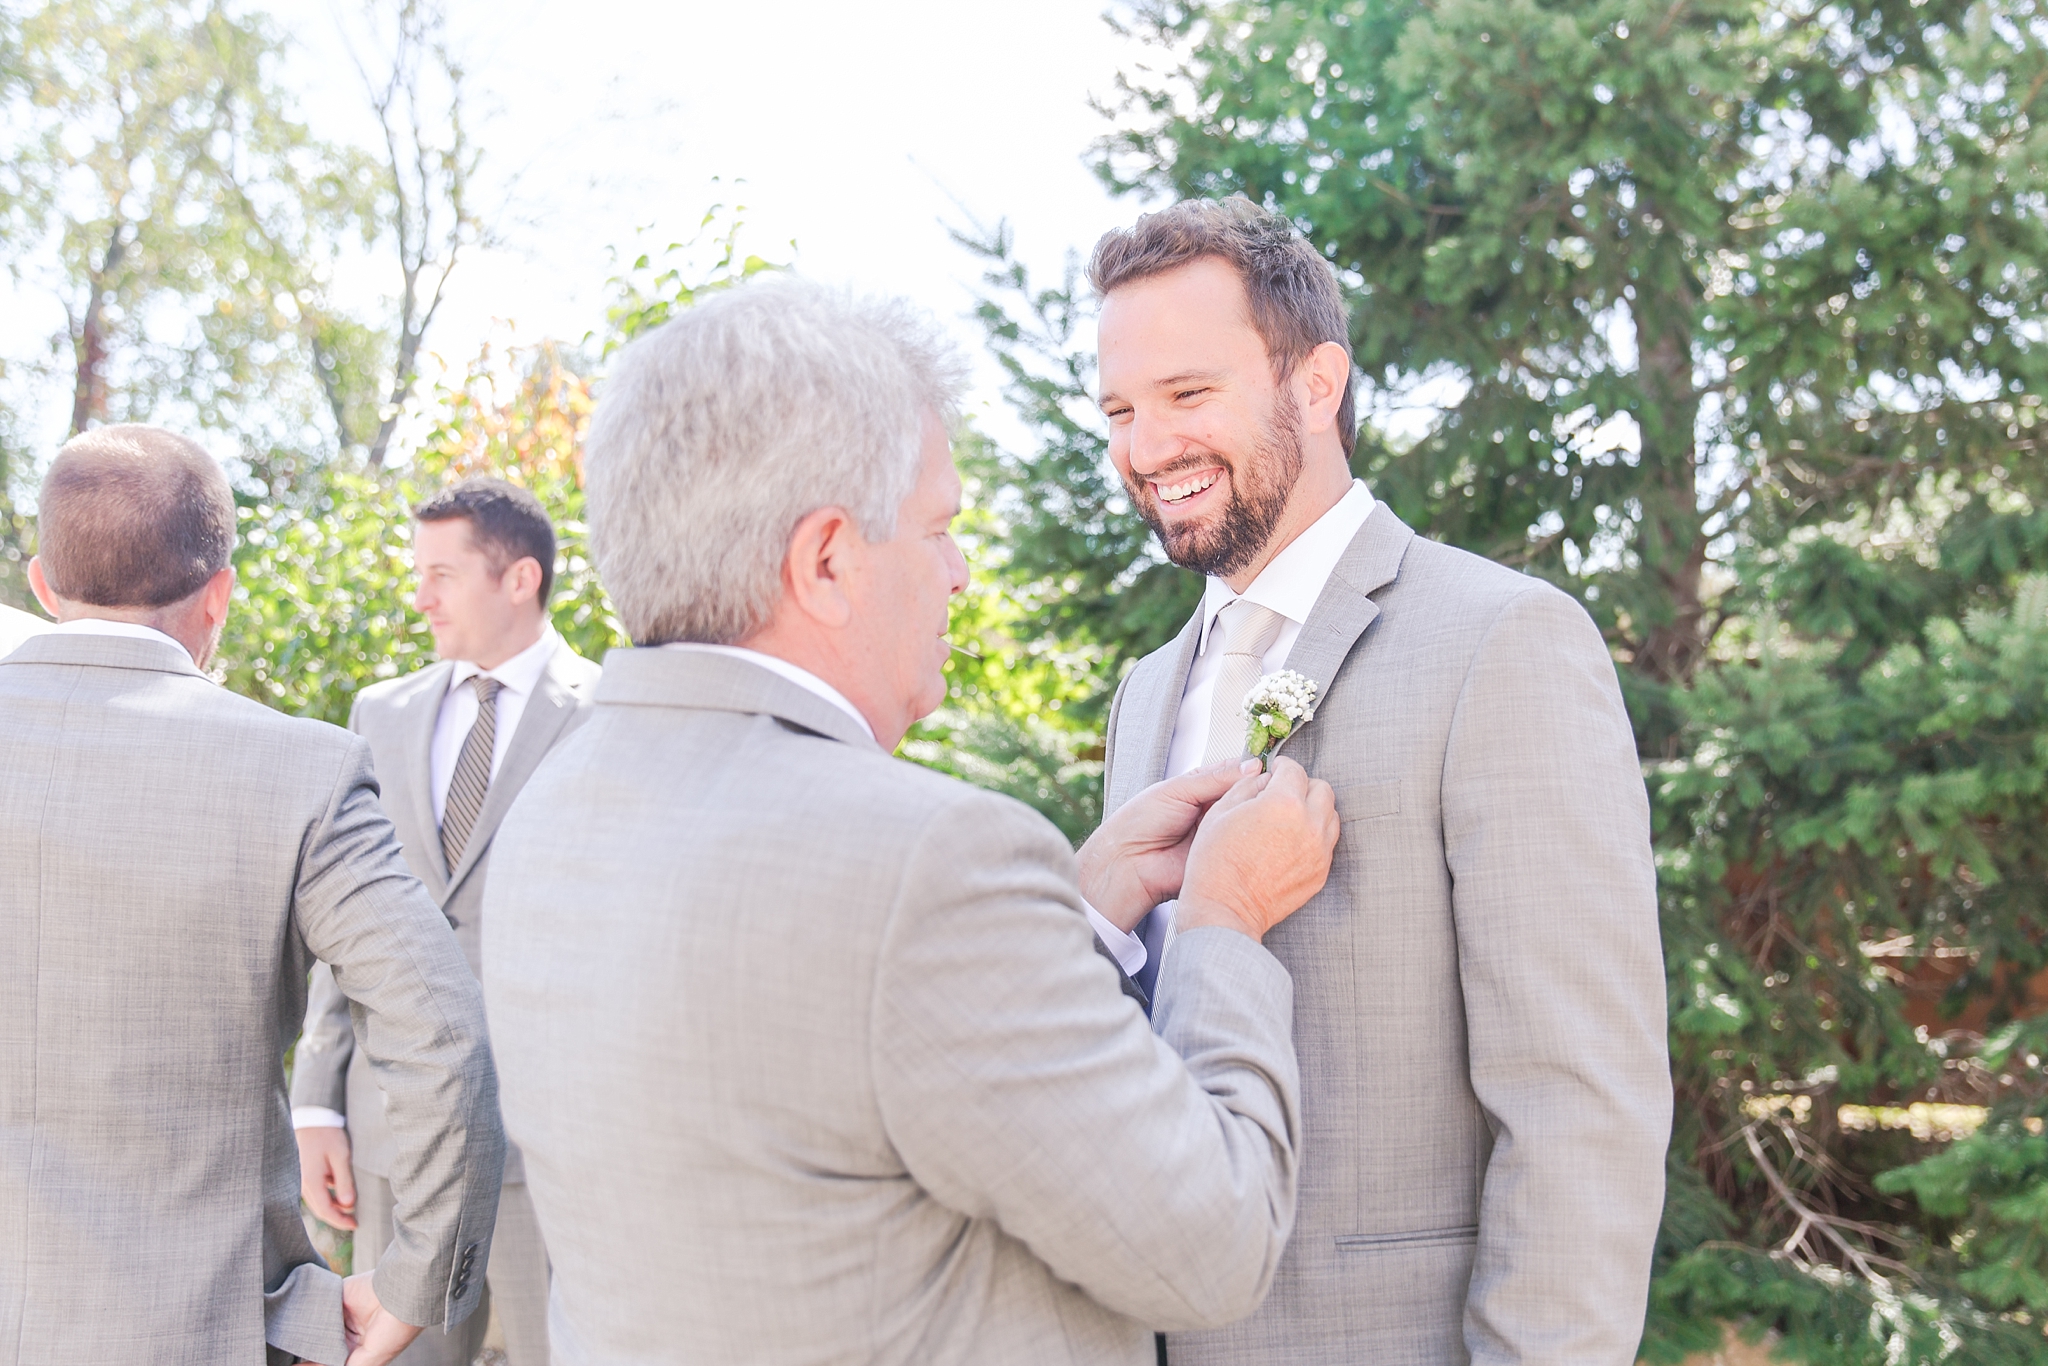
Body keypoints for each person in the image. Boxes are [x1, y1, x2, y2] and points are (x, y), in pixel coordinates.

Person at [482, 281, 1341, 1364]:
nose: (957, 572)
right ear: (827, 561)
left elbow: (825, 1062)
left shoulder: (546, 813)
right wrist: (1223, 919)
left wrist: (1072, 914)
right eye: (937, 528)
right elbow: (1210, 1248)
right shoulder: (926, 862)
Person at [1087, 198, 1671, 1364]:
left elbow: (1577, 1105)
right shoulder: (1146, 690)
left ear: (1315, 383)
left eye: (1187, 397)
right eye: (1118, 409)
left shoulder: (1501, 641)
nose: (1146, 449)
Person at [0, 426, 504, 1366]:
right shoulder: (301, 770)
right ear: (220, 597)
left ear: (42, 584)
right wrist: (419, 1279)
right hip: (208, 1332)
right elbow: (440, 1028)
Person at [294, 477, 598, 1366]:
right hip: (398, 1125)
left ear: (519, 580)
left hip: (553, 1141)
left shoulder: (611, 713)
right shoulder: (379, 713)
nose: (419, 597)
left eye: (441, 574)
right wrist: (316, 1102)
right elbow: (340, 913)